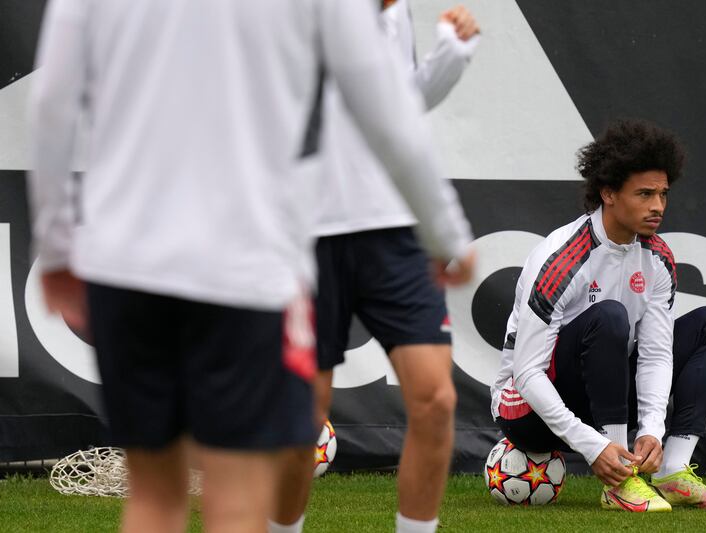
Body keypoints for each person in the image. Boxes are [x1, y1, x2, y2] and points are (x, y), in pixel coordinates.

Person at [28, 0, 473, 531]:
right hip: (245, 262)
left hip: (129, 261)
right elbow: (388, 115)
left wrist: (56, 246)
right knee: (235, 495)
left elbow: (52, 103)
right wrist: (448, 234)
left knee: (153, 496)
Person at [270, 3, 479, 533]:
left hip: (393, 232)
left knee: (435, 400)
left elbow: (393, 104)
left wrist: (448, 59)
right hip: (305, 235)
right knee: (303, 423)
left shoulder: (395, 12)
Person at [490, 119, 706, 512]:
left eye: (663, 193)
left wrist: (653, 431)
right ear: (608, 193)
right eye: (644, 194)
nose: (657, 206)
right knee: (608, 317)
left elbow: (657, 353)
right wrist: (597, 447)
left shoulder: (657, 257)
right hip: (527, 409)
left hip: (601, 396)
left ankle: (673, 472)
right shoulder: (562, 258)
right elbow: (526, 374)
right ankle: (621, 480)